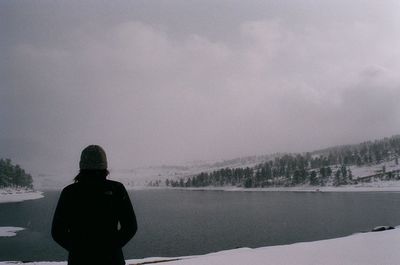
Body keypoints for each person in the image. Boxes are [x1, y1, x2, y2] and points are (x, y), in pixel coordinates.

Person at [52, 145, 137, 265]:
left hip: (79, 260)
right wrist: (111, 248)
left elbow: (58, 232)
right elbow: (130, 227)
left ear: (81, 166)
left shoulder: (70, 192)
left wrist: (79, 249)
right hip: (112, 260)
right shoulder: (116, 189)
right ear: (104, 166)